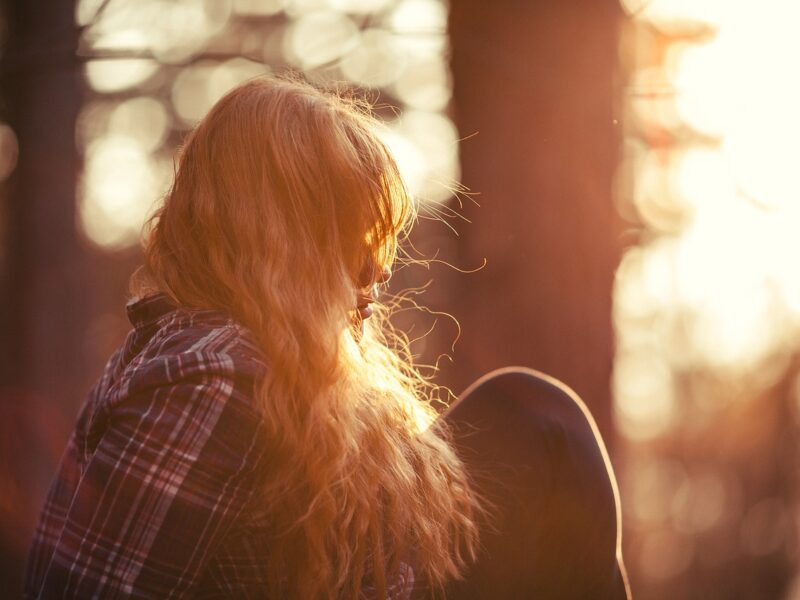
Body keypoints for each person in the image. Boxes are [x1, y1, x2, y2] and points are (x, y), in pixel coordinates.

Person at [24, 76, 630, 599]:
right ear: (284, 238)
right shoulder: (210, 376)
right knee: (540, 424)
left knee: (526, 416)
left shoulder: (258, 363)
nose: (381, 269)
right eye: (355, 236)